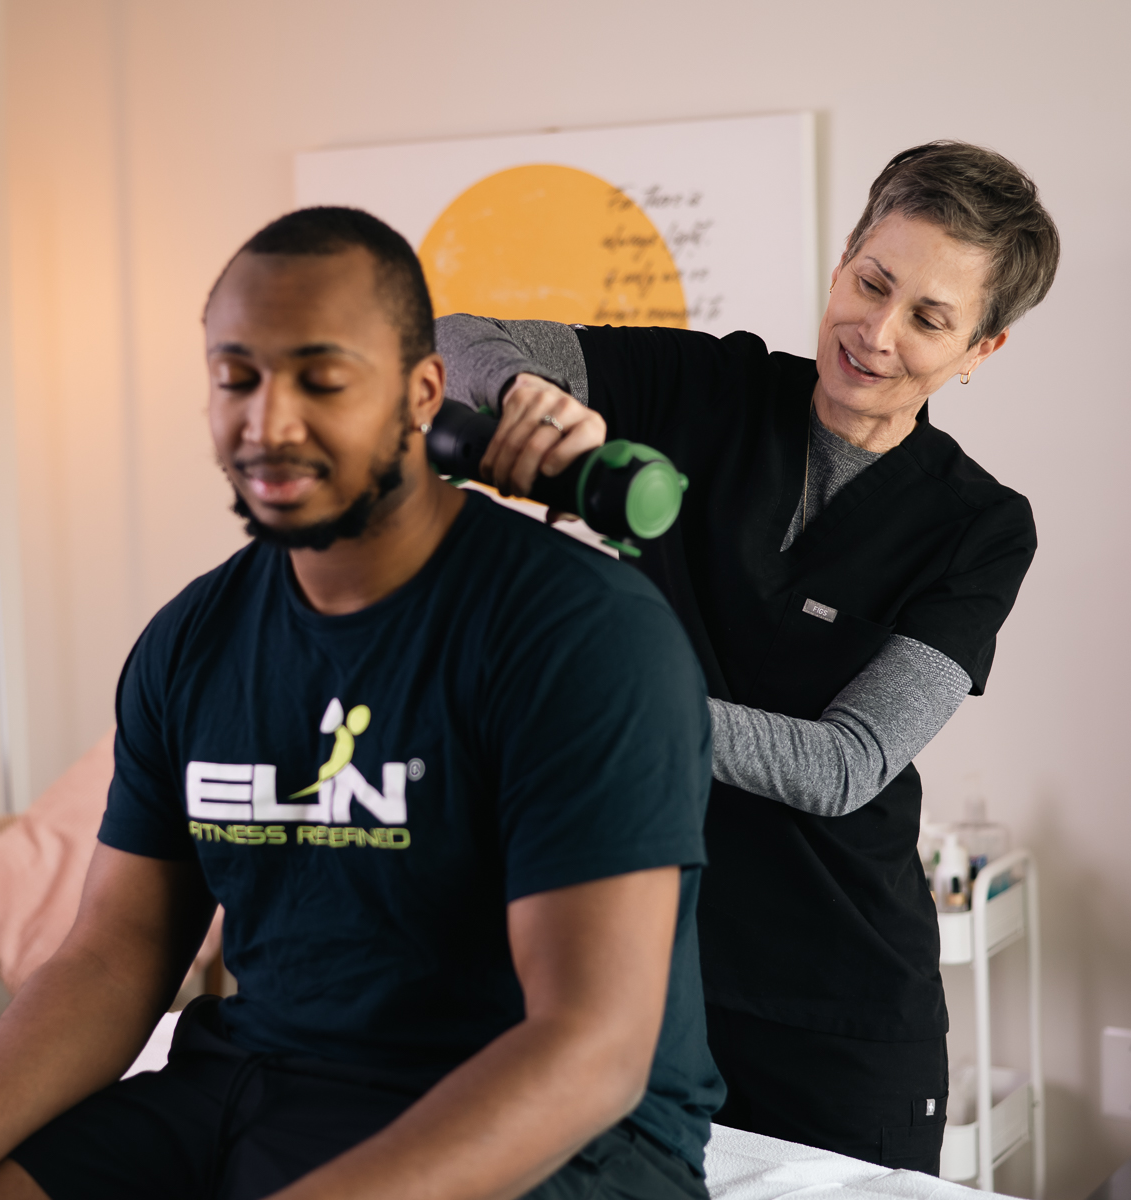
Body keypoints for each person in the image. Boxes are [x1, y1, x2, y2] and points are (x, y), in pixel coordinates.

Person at [0, 206, 724, 1200]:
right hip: (260, 1081)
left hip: (561, 1130)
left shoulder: (582, 636)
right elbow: (112, 959)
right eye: (237, 377)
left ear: (422, 393)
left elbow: (589, 1049)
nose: (268, 422)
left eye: (321, 380)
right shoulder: (191, 643)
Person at [436, 141, 1058, 1174]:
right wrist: (526, 399)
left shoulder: (979, 527)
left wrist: (610, 703)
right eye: (872, 283)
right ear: (843, 262)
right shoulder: (704, 388)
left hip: (840, 1007)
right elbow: (453, 339)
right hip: (634, 975)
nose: (877, 333)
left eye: (928, 318)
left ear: (979, 350)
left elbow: (845, 764)